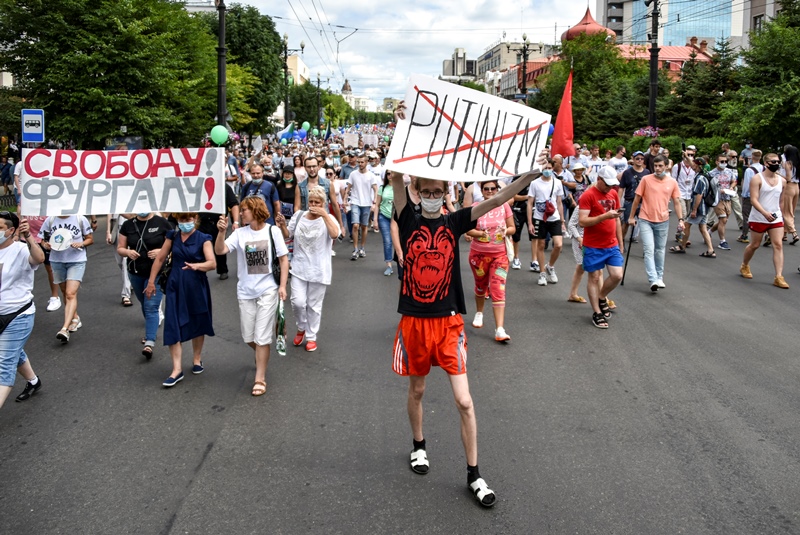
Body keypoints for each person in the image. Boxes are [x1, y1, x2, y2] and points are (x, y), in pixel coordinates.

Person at [389, 98, 546, 509]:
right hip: (414, 321)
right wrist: (404, 129)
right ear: (418, 192)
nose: (430, 196)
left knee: (464, 400)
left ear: (446, 194)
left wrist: (527, 175)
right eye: (425, 191)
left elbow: (496, 202)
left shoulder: (455, 220)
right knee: (418, 389)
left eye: (437, 192)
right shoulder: (407, 218)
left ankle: (474, 474)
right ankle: (418, 444)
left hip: (449, 322)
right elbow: (395, 174)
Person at [215, 197, 289, 395]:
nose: (241, 213)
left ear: (255, 210)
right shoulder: (239, 233)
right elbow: (220, 250)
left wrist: (282, 286)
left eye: (244, 210)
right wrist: (222, 232)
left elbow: (283, 260)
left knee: (261, 336)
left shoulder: (273, 231)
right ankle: (262, 351)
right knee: (249, 336)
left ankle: (260, 378)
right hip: (245, 291)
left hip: (268, 289)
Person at [146, 213, 216, 387]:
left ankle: (197, 359)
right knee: (172, 322)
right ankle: (176, 369)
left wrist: (197, 266)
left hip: (196, 284)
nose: (185, 223)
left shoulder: (203, 238)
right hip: (175, 285)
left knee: (198, 320)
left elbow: (212, 263)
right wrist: (151, 282)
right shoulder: (173, 236)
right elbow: (161, 258)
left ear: (195, 220)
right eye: (182, 220)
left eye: (188, 219)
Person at [285, 187, 340, 352]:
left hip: (319, 269)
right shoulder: (299, 215)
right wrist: (282, 225)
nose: (313, 205)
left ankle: (311, 336)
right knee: (298, 302)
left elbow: (335, 234)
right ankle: (301, 326)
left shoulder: (328, 218)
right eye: (311, 201)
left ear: (323, 203)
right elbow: (288, 234)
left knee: (314, 305)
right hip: (299, 266)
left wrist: (324, 215)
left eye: (317, 202)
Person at [0, 212, 46, 408]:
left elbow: (40, 258)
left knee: (4, 364)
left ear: (11, 231)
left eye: (0, 227)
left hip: (18, 315)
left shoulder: (20, 250)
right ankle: (34, 382)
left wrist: (28, 237)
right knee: (12, 351)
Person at [118, 212, 173, 359]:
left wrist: (162, 252)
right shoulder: (127, 225)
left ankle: (149, 342)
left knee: (151, 306)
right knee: (144, 302)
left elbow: (175, 244)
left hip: (157, 273)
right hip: (135, 272)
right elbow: (120, 248)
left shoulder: (161, 223)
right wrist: (127, 252)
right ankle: (151, 328)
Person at [466, 180, 515, 342]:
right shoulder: (476, 207)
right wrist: (480, 234)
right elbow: (467, 230)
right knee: (481, 286)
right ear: (481, 190)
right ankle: (479, 312)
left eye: (493, 188)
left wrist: (506, 230)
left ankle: (500, 329)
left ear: (497, 189)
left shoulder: (504, 206)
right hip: (478, 255)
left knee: (498, 288)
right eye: (486, 189)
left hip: (500, 255)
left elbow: (513, 227)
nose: (490, 191)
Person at [627, 155, 684, 292]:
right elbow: (637, 199)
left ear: (666, 166)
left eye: (660, 166)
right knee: (648, 249)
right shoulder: (646, 180)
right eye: (655, 166)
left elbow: (676, 202)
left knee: (659, 250)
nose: (657, 169)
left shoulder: (672, 182)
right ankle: (653, 279)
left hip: (663, 220)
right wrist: (631, 217)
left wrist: (681, 219)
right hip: (645, 218)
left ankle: (659, 277)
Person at [579, 167, 625, 329]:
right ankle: (597, 312)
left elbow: (617, 220)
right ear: (598, 179)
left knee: (617, 275)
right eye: (607, 184)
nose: (609, 188)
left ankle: (601, 296)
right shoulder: (588, 195)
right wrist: (604, 216)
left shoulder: (613, 194)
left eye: (612, 185)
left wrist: (620, 242)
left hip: (611, 244)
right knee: (595, 278)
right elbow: (582, 221)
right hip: (593, 245)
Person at [39, 214, 94, 342]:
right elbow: (42, 239)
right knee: (64, 292)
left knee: (70, 293)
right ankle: (75, 318)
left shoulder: (80, 219)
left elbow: (90, 239)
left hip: (76, 260)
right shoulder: (50, 220)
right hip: (57, 261)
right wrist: (45, 245)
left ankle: (64, 329)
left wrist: (81, 243)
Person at [741, 154, 789, 288]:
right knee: (755, 245)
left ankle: (779, 276)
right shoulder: (757, 178)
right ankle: (745, 265)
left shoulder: (782, 181)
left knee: (778, 245)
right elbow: (754, 199)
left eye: (778, 162)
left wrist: (783, 217)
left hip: (775, 217)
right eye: (773, 162)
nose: (777, 164)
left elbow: (781, 201)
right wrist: (764, 213)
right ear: (766, 163)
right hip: (759, 217)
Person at [526, 159, 564, 285]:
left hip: (554, 217)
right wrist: (530, 222)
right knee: (541, 245)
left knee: (558, 244)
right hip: (539, 218)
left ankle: (550, 266)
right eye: (545, 168)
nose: (547, 170)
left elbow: (559, 202)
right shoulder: (534, 183)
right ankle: (542, 273)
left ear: (553, 168)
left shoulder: (558, 183)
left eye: (549, 167)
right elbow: (530, 202)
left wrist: (562, 221)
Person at [671, 157, 715, 257]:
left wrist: (694, 209)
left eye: (694, 164)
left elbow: (699, 195)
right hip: (706, 207)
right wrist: (686, 155)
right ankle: (710, 250)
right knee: (703, 227)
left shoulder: (699, 178)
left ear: (697, 165)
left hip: (700, 207)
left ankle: (682, 246)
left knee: (687, 225)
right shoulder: (706, 175)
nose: (692, 165)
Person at [198, 183, 240, 280]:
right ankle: (199, 269)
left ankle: (222, 270)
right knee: (198, 247)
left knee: (219, 246)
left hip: (218, 223)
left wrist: (236, 222)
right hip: (200, 223)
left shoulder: (223, 186)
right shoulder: (197, 185)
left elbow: (233, 204)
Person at [344, 155, 379, 260]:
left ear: (366, 162)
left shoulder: (371, 175)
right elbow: (348, 188)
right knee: (355, 225)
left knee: (364, 226)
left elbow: (375, 189)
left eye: (362, 162)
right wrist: (345, 200)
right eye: (359, 162)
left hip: (367, 203)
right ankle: (355, 249)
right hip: (355, 201)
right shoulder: (353, 174)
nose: (360, 164)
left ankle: (362, 248)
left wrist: (374, 202)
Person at [708, 153, 737, 251]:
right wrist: (716, 190)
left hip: (727, 197)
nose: (724, 163)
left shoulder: (729, 171)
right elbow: (709, 187)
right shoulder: (711, 173)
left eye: (725, 161)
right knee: (723, 219)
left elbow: (734, 181)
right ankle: (722, 241)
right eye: (722, 161)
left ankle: (709, 232)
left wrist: (732, 186)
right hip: (718, 199)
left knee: (723, 221)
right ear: (717, 162)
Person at [619, 151, 649, 242]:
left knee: (645, 224)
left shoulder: (647, 172)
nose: (640, 160)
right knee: (626, 223)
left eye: (642, 159)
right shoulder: (627, 173)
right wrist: (618, 203)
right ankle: (621, 242)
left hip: (643, 202)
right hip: (629, 201)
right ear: (633, 159)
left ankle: (647, 247)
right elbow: (621, 188)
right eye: (637, 158)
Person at [106, 214, 133, 305]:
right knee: (120, 262)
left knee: (125, 261)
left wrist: (122, 211)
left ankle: (126, 294)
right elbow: (110, 211)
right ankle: (131, 279)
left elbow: (132, 216)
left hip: (130, 226)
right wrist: (108, 231)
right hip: (116, 225)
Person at [738, 150, 764, 244]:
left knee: (746, 215)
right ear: (760, 157)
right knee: (761, 214)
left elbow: (747, 184)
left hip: (750, 195)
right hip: (761, 195)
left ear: (752, 158)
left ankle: (744, 235)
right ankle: (765, 234)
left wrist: (744, 195)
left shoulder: (749, 170)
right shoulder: (764, 168)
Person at [374, 172, 395, 276]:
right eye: (388, 174)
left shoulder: (401, 188)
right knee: (387, 241)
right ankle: (389, 265)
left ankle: (400, 259)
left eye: (393, 173)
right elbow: (377, 205)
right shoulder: (382, 188)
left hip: (396, 219)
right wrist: (375, 220)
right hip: (384, 217)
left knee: (399, 240)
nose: (390, 175)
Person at [781, 145, 800, 245]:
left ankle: (794, 233)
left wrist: (777, 174)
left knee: (786, 211)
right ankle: (784, 234)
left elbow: (788, 178)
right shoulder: (798, 163)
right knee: (791, 209)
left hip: (789, 187)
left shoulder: (788, 163)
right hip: (797, 187)